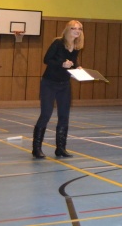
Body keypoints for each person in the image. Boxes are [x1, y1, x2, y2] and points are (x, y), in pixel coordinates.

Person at [32, 20, 84, 159]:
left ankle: (61, 148)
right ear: (67, 29)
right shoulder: (58, 43)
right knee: (46, 114)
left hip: (64, 84)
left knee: (64, 116)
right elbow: (47, 59)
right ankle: (36, 149)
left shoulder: (77, 46)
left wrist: (77, 67)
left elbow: (73, 62)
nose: (77, 31)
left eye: (79, 29)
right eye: (74, 28)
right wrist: (62, 64)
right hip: (49, 83)